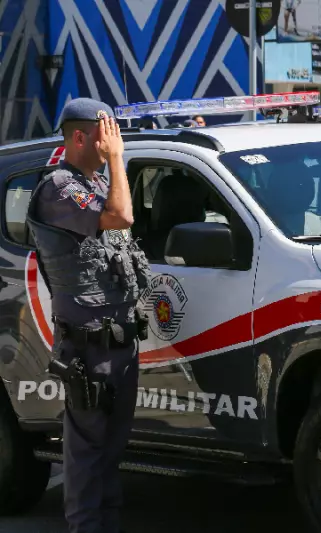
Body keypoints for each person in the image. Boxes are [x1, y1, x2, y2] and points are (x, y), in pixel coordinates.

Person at [25, 98, 151, 533]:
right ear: (79, 137)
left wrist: (111, 165)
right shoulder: (61, 188)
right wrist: (117, 160)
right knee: (86, 456)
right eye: (106, 135)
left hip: (119, 344)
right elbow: (121, 216)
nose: (113, 143)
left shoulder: (94, 183)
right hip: (88, 349)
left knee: (110, 454)